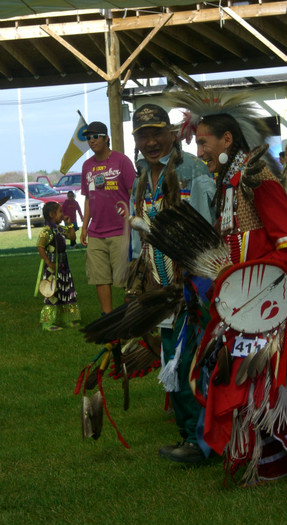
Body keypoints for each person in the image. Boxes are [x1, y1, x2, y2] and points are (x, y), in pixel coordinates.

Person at [169, 92, 287, 486]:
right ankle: (267, 459)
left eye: (203, 142)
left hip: (268, 299)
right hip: (244, 299)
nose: (198, 150)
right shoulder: (230, 181)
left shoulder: (255, 175)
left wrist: (265, 286)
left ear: (227, 140)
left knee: (274, 380)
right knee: (244, 379)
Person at [130, 103, 216, 463]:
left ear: (170, 134)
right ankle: (189, 435)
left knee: (191, 363)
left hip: (192, 286)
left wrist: (197, 285)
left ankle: (206, 440)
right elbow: (140, 242)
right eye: (143, 135)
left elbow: (205, 232)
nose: (150, 141)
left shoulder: (190, 171)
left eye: (156, 133)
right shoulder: (141, 180)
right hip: (160, 289)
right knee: (171, 362)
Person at [80, 121, 136, 314]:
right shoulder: (87, 166)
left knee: (126, 279)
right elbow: (88, 198)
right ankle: (108, 320)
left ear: (106, 139)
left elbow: (132, 194)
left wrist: (134, 222)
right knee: (100, 278)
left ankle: (131, 318)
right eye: (88, 138)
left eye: (96, 137)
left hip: (120, 230)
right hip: (96, 232)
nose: (92, 141)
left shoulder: (122, 161)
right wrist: (84, 227)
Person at [37, 201, 81, 331]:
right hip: (52, 268)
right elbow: (40, 246)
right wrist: (48, 262)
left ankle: (67, 319)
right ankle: (47, 323)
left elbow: (72, 237)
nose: (62, 214)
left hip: (63, 266)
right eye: (60, 212)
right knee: (52, 293)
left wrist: (69, 224)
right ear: (51, 214)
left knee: (66, 291)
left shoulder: (60, 229)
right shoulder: (47, 230)